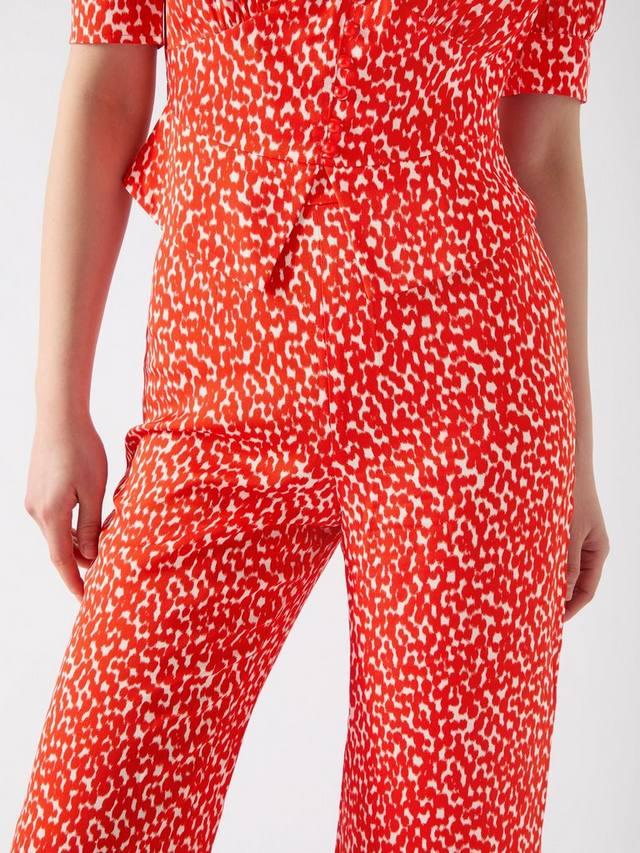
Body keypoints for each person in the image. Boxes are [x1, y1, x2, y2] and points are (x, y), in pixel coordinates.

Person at [13, 0, 610, 850]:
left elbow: (542, 146)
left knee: (442, 827)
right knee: (88, 813)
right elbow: (104, 86)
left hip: (468, 402)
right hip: (213, 389)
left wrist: (579, 454)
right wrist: (58, 406)